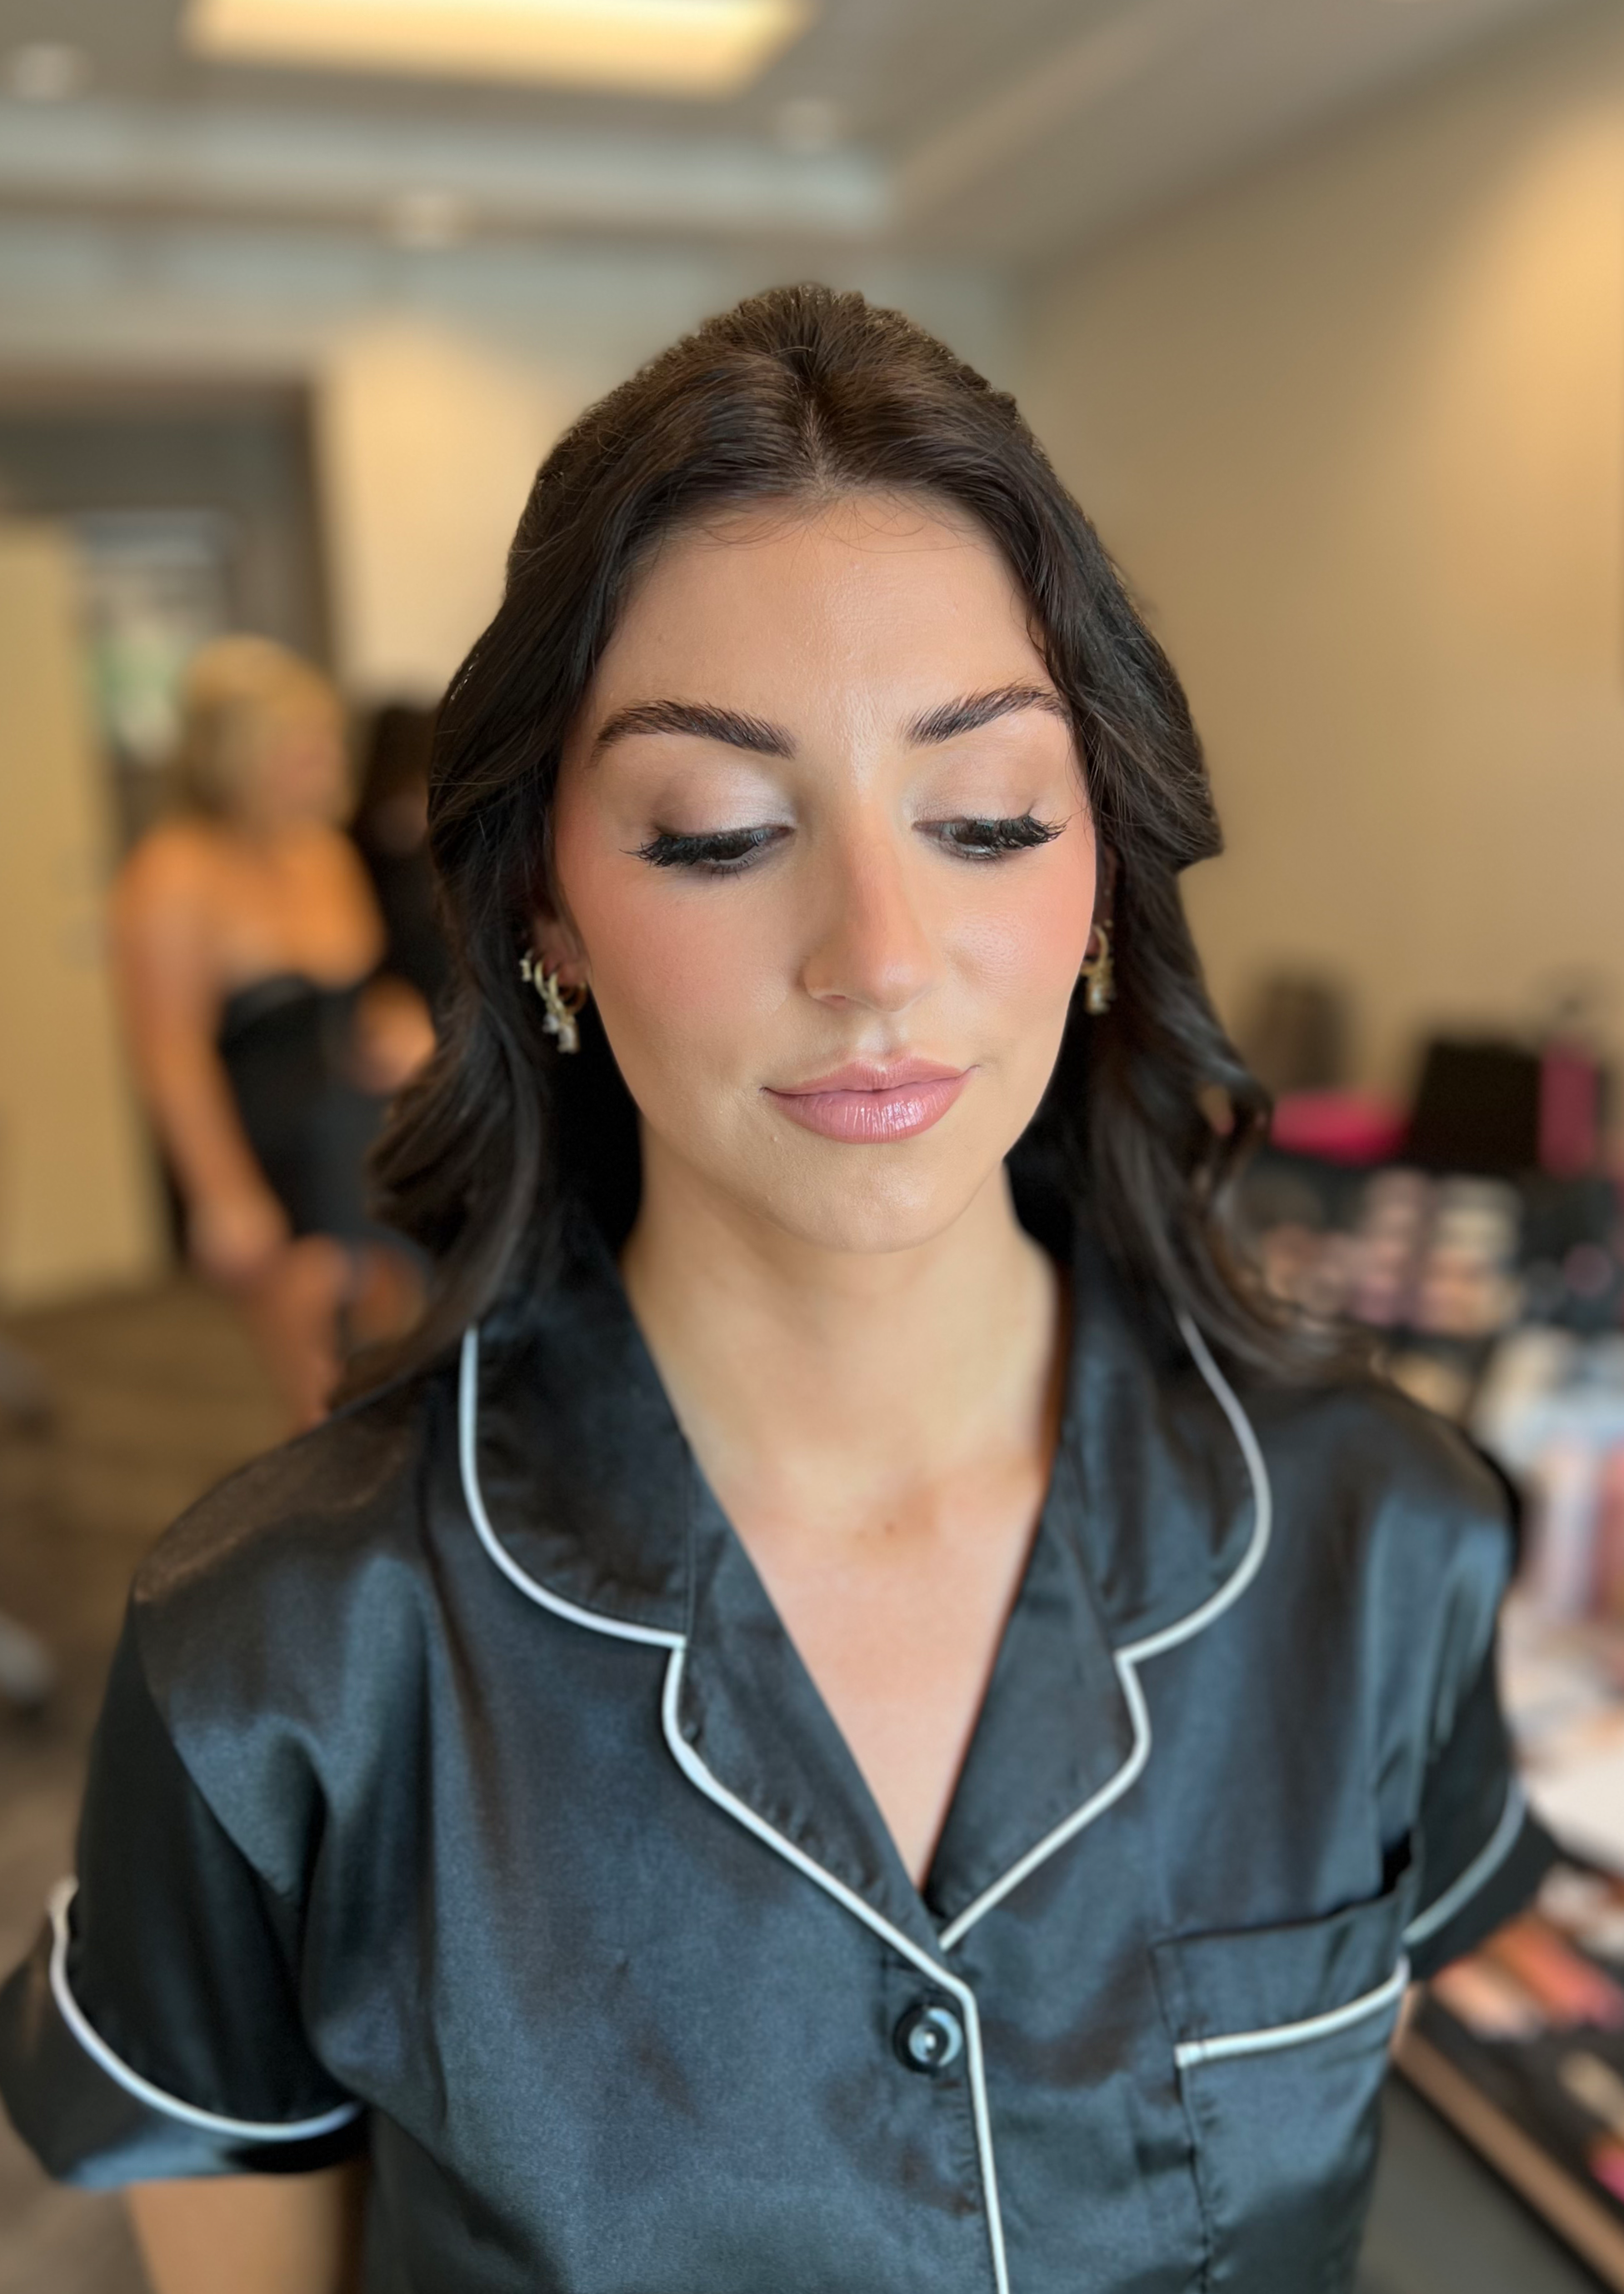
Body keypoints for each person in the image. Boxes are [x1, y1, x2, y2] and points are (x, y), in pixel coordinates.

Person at [0, 289, 1552, 2293]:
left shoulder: (1376, 1534)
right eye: (719, 831)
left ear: (1099, 876)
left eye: (984, 815)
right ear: (545, 901)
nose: (878, 953)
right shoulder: (284, 1656)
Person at [107, 638, 433, 1428]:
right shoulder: (172, 874)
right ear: (239, 758)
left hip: (358, 1135)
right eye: (301, 747)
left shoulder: (322, 851)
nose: (325, 763)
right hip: (272, 1157)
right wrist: (223, 1195)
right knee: (321, 1399)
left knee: (404, 1359)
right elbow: (170, 1055)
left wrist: (397, 1020)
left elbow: (359, 988)